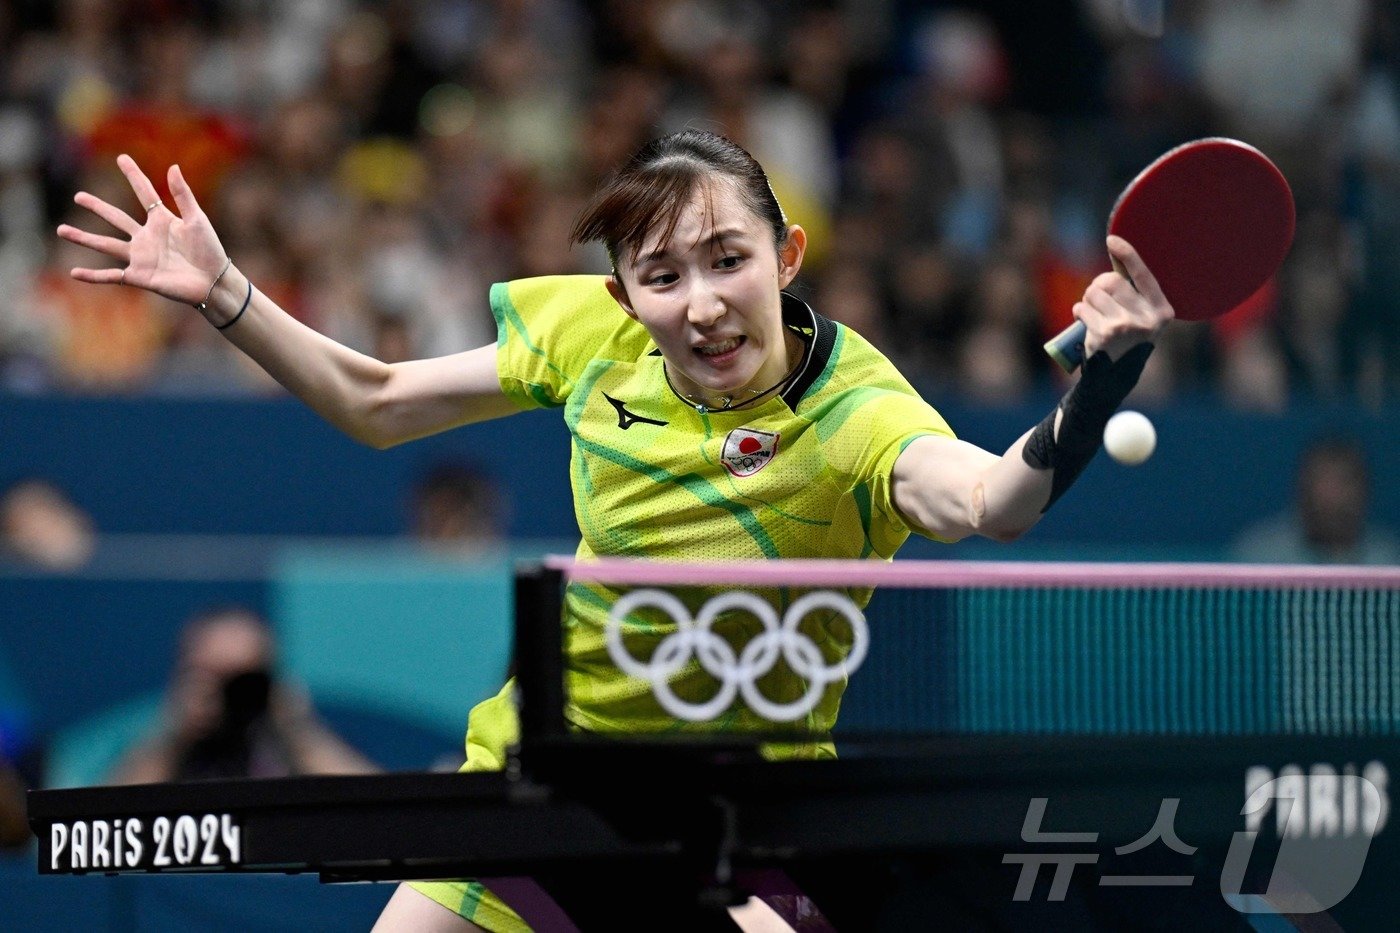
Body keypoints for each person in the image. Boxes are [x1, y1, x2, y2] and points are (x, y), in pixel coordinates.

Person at [58, 131, 1172, 931]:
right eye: (661, 277)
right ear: (624, 295)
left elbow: (989, 503)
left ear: (786, 255)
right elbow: (378, 398)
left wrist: (1096, 390)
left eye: (728, 259)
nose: (701, 303)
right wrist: (227, 293)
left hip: (746, 808)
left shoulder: (854, 412)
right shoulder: (595, 341)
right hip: (547, 782)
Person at [107, 606, 378, 784]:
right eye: (211, 675)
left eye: (242, 678)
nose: (227, 693)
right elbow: (107, 823)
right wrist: (172, 735)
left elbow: (376, 811)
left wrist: (299, 730)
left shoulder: (290, 743)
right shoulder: (166, 748)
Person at [1232, 435, 1400, 565]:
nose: (1331, 496)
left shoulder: (1389, 559)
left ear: (1365, 490)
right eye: (1321, 481)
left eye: (1344, 481)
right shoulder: (1258, 555)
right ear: (1301, 488)